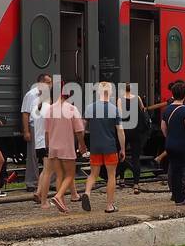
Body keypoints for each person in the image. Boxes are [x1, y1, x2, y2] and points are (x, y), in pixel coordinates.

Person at [37, 81, 85, 214]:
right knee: (70, 174)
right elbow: (79, 130)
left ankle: (62, 205)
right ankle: (58, 197)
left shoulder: (50, 109)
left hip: (53, 148)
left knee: (59, 175)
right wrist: (82, 145)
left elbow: (46, 132)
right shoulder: (71, 109)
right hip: (67, 148)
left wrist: (48, 146)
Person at [82, 81, 126, 213]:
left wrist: (81, 143)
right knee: (111, 175)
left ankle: (87, 193)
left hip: (95, 147)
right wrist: (122, 149)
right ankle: (109, 206)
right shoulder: (114, 110)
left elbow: (82, 128)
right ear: (110, 92)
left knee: (93, 174)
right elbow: (120, 131)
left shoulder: (90, 108)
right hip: (110, 147)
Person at [20, 73, 51, 191]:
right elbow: (25, 113)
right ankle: (32, 182)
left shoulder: (47, 95)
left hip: (45, 127)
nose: (50, 85)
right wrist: (26, 131)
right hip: (34, 126)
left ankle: (49, 181)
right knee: (33, 155)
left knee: (48, 154)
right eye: (48, 82)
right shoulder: (31, 95)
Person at [118, 86, 152, 192]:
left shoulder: (120, 99)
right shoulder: (137, 98)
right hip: (136, 131)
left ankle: (122, 179)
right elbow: (143, 110)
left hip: (125, 131)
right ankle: (136, 184)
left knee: (121, 155)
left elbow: (118, 114)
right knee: (135, 158)